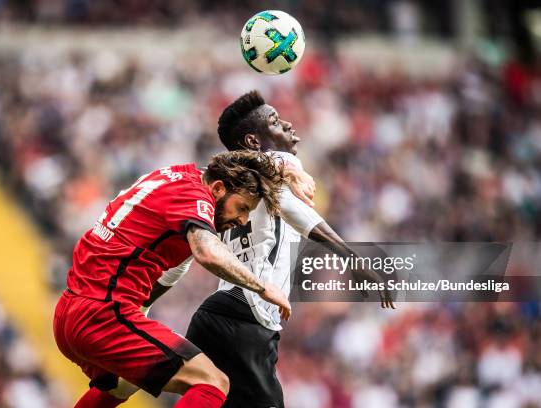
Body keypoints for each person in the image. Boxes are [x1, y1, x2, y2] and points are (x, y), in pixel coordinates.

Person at [142, 90, 395, 408]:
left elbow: (182, 257)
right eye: (275, 121)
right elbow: (290, 203)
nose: (288, 125)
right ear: (252, 141)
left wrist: (142, 305)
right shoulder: (269, 173)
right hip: (247, 321)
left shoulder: (235, 183)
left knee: (191, 393)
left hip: (216, 313)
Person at [53, 150, 294, 408]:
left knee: (122, 385)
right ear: (218, 188)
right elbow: (207, 252)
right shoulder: (194, 196)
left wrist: (290, 173)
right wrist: (261, 287)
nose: (242, 220)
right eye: (242, 207)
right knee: (213, 382)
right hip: (101, 314)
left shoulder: (176, 177)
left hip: (72, 311)